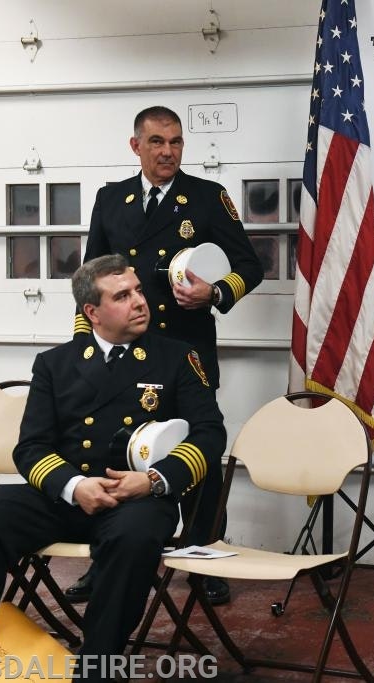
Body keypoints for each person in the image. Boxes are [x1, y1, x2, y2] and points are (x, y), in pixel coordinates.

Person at [0, 255, 225, 682]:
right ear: (92, 311)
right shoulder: (55, 363)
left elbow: (209, 434)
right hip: (67, 496)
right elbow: (31, 448)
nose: (139, 302)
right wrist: (73, 486)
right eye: (122, 295)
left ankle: (96, 670)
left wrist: (152, 480)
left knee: (134, 538)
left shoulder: (177, 358)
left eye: (139, 290)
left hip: (137, 499)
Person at [70, 105, 263, 605]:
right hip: (121, 350)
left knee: (197, 449)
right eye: (157, 142)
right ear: (136, 146)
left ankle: (203, 556)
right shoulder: (112, 199)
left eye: (176, 142)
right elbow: (89, 278)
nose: (168, 152)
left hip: (184, 349)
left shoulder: (207, 197)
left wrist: (215, 294)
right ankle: (105, 559)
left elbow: (249, 265)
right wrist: (84, 343)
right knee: (107, 451)